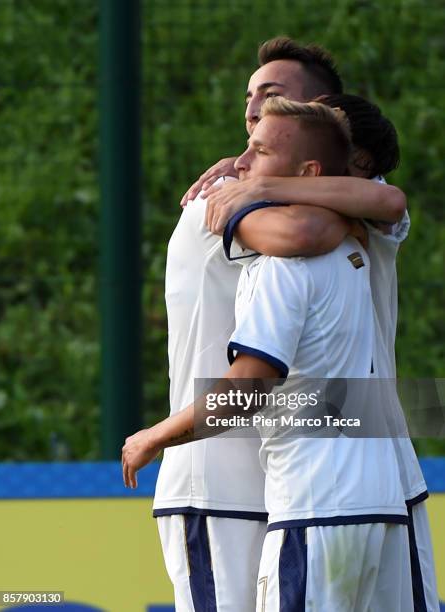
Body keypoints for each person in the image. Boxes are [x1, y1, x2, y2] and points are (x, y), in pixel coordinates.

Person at [126, 37, 438, 610]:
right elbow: (303, 236)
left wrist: (270, 182)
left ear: (322, 115)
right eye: (250, 98)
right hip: (225, 481)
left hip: (336, 481)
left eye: (272, 98)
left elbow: (376, 205)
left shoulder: (349, 199)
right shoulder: (223, 194)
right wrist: (260, 180)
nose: (252, 110)